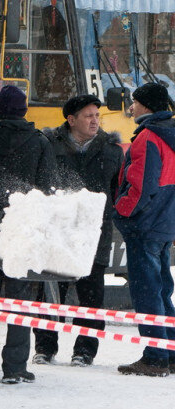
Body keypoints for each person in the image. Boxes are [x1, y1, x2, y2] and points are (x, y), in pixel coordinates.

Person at [0, 86, 58, 383]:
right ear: (23, 110)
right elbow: (48, 189)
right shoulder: (39, 142)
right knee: (20, 300)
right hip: (22, 230)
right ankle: (15, 367)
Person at [32, 94, 123, 366]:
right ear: (71, 120)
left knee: (91, 293)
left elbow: (118, 190)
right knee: (49, 291)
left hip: (95, 233)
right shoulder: (50, 144)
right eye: (88, 116)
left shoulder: (111, 149)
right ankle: (45, 347)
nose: (95, 120)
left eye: (97, 115)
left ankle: (84, 350)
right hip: (58, 231)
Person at [113, 82, 175, 377]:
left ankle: (154, 356)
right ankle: (171, 352)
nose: (131, 107)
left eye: (135, 102)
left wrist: (120, 212)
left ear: (146, 106)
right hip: (166, 225)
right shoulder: (171, 134)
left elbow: (140, 186)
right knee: (162, 290)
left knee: (147, 292)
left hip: (145, 226)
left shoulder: (148, 136)